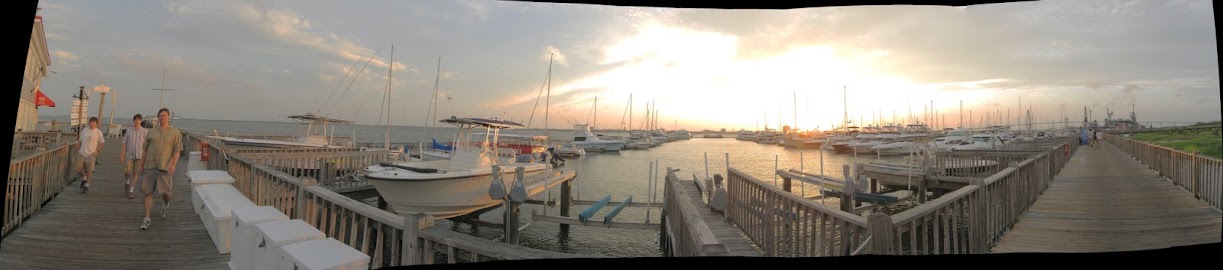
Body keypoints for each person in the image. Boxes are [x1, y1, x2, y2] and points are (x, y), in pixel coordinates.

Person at [138, 108, 183, 230]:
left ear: (168, 117)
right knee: (148, 192)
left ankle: (166, 203)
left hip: (165, 167)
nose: (162, 117)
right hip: (150, 166)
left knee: (165, 192)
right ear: (158, 117)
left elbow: (177, 151)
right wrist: (141, 165)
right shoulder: (152, 132)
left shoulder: (175, 132)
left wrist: (173, 165)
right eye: (160, 115)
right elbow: (145, 150)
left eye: (164, 115)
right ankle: (147, 218)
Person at [120, 114, 149, 199]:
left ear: (141, 121)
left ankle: (131, 190)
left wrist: (147, 156)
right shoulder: (129, 131)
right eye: (135, 119)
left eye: (138, 119)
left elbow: (147, 145)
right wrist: (122, 155)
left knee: (136, 173)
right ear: (133, 121)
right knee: (127, 171)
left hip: (140, 156)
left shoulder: (145, 131)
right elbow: (124, 143)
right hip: (129, 155)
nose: (137, 121)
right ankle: (127, 181)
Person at [74, 117, 105, 193]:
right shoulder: (84, 130)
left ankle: (87, 185)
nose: (91, 123)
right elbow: (80, 140)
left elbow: (102, 142)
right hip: (82, 152)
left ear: (96, 124)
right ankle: (84, 178)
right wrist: (77, 148)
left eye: (93, 122)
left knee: (89, 170)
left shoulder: (98, 132)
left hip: (91, 154)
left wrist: (97, 150)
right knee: (78, 168)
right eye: (90, 122)